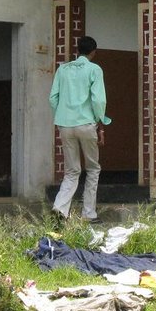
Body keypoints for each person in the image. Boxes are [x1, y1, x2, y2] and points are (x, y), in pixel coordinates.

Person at [50, 35, 111, 223]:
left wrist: (62, 115)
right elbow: (98, 100)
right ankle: (88, 213)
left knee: (71, 171)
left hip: (65, 124)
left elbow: (53, 98)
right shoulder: (94, 69)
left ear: (77, 50)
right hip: (86, 124)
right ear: (93, 52)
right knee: (92, 168)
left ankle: (59, 209)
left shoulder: (63, 69)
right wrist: (100, 121)